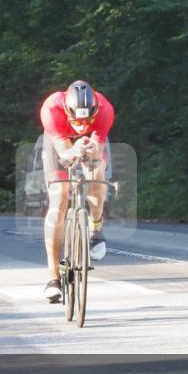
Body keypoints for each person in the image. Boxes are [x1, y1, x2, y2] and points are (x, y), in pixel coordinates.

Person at [39, 80, 115, 303]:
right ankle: (53, 278)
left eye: (86, 121)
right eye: (77, 121)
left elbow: (98, 149)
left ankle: (96, 227)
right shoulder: (51, 108)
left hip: (91, 142)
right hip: (60, 145)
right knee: (59, 198)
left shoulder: (105, 110)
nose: (82, 126)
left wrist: (92, 152)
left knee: (97, 174)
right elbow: (63, 154)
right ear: (67, 111)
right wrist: (73, 150)